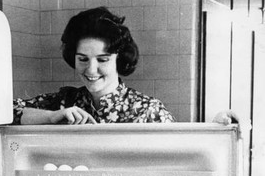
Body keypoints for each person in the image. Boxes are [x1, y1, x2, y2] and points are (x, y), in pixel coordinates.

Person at [13, 7, 175, 125]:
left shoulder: (148, 111)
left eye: (102, 60)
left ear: (119, 59)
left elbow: (178, 161)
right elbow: (5, 112)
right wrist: (50, 116)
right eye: (83, 59)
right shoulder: (64, 102)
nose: (91, 69)